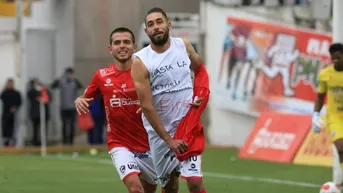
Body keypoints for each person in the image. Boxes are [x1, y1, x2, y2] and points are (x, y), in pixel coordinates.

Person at [131, 7, 209, 193]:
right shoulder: (141, 61)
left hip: (187, 128)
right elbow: (147, 106)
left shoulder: (184, 46)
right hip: (160, 135)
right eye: (151, 24)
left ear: (168, 25)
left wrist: (200, 95)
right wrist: (168, 140)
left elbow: (200, 70)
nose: (156, 27)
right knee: (170, 187)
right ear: (146, 31)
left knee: (195, 183)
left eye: (159, 22)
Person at [74, 27, 158, 193]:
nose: (122, 46)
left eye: (126, 42)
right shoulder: (101, 75)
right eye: (117, 42)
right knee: (135, 188)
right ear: (110, 48)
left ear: (134, 46)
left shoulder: (147, 71)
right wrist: (79, 100)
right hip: (120, 144)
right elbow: (85, 97)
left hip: (150, 143)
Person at [312, 43, 343, 185]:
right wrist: (315, 115)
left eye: (338, 57)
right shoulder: (325, 74)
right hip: (335, 117)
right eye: (333, 58)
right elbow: (320, 96)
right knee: (341, 148)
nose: (335, 60)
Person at [51, 67, 83, 145]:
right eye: (68, 73)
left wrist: (74, 79)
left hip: (72, 107)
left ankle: (71, 141)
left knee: (72, 124)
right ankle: (65, 141)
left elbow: (81, 86)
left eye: (70, 73)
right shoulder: (61, 82)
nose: (69, 75)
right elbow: (53, 86)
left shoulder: (74, 82)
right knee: (64, 124)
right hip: (63, 107)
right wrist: (60, 78)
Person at [27, 79, 51, 146]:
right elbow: (30, 95)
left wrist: (44, 90)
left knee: (44, 129)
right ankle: (35, 143)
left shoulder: (44, 90)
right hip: (35, 113)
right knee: (35, 129)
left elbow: (49, 98)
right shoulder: (31, 91)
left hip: (44, 113)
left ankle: (44, 142)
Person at [0, 78, 22, 147]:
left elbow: (19, 102)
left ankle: (13, 141)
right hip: (6, 113)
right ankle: (6, 142)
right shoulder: (4, 93)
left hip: (14, 114)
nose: (10, 85)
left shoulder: (16, 93)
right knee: (5, 127)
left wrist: (15, 108)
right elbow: (2, 98)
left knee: (14, 128)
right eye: (9, 83)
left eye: (11, 83)